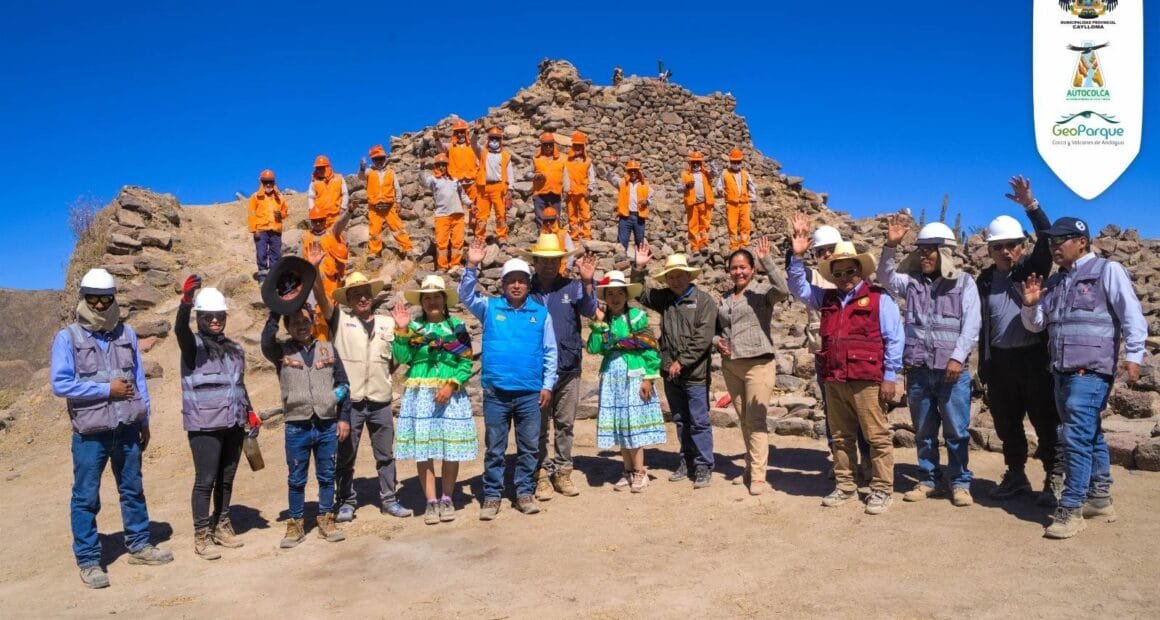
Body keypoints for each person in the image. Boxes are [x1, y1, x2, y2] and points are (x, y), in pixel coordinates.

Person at [1021, 216, 1147, 539]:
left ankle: (1072, 506)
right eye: (1050, 242)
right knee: (1089, 434)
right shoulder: (1056, 281)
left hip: (1090, 372)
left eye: (1059, 240)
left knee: (1074, 436)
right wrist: (1031, 305)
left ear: (1082, 242)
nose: (1053, 247)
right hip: (1062, 372)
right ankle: (1100, 498)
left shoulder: (1108, 271)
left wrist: (1134, 356)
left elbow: (1131, 314)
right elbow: (1037, 324)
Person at [50, 268, 172, 589]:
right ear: (84, 299)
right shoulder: (68, 338)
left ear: (113, 298)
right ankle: (89, 560)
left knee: (132, 489)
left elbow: (139, 380)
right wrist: (107, 390)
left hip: (128, 427)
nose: (101, 306)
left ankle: (139, 544)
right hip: (91, 434)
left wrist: (144, 418)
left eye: (106, 299)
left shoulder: (127, 334)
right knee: (86, 497)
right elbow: (61, 384)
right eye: (94, 300)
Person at [786, 233, 904, 514]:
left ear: (860, 270)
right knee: (840, 436)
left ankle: (882, 489)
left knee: (876, 437)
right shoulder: (826, 298)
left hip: (867, 379)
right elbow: (797, 287)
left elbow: (895, 338)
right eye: (838, 273)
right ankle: (846, 485)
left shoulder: (878, 298)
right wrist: (797, 257)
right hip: (835, 378)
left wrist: (890, 376)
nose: (844, 277)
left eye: (850, 271)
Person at [880, 217, 982, 507]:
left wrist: (957, 358)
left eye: (929, 250)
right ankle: (929, 479)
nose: (923, 255)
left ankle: (960, 482)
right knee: (924, 431)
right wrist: (890, 246)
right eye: (921, 250)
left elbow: (971, 325)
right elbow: (885, 276)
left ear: (945, 252)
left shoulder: (964, 283)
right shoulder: (911, 283)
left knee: (957, 431)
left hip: (951, 372)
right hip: (918, 369)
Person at [459, 239, 559, 520]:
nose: (516, 286)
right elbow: (466, 295)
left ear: (529, 285)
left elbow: (551, 352)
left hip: (529, 392)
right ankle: (492, 495)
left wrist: (547, 385)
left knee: (528, 446)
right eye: (511, 281)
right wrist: (472, 266)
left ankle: (524, 492)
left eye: (522, 281)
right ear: (503, 284)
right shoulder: (489, 308)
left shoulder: (540, 314)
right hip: (496, 391)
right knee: (496, 447)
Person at [976, 175, 1059, 505]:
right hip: (1000, 362)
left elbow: (1048, 238)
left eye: (1012, 245)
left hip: (1034, 360)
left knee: (1044, 420)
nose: (1006, 251)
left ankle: (1054, 476)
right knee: (1007, 423)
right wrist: (983, 363)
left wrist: (1031, 206)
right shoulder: (983, 279)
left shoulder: (1033, 269)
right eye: (998, 246)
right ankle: (1015, 475)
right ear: (990, 249)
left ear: (1022, 246)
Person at [307, 265, 411, 522]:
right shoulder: (341, 320)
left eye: (366, 293)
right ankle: (345, 501)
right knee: (345, 454)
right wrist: (315, 268)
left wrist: (402, 331)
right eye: (356, 295)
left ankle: (389, 499)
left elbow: (398, 358)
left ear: (372, 297)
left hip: (380, 400)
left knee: (385, 454)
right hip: (349, 403)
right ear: (349, 300)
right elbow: (321, 297)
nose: (362, 298)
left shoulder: (388, 322)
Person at [175, 276, 256, 560]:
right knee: (205, 479)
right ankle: (201, 534)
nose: (215, 321)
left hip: (233, 422)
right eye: (208, 316)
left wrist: (250, 412)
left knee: (226, 478)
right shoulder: (192, 347)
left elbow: (239, 384)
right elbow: (179, 330)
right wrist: (185, 302)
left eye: (219, 316)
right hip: (204, 426)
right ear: (200, 317)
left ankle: (221, 524)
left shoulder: (235, 349)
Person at [260, 302, 353, 548]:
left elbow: (344, 384)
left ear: (313, 322)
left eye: (305, 321)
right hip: (297, 425)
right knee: (296, 477)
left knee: (327, 474)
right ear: (288, 326)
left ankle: (326, 518)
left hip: (326, 424)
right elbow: (266, 340)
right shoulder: (281, 351)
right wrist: (276, 310)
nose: (301, 326)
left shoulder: (327, 349)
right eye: (295, 323)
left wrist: (342, 416)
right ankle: (296, 524)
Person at [390, 275, 478, 525]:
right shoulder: (415, 328)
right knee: (424, 450)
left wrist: (451, 385)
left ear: (444, 299)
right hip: (420, 396)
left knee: (450, 449)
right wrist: (402, 330)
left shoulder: (457, 327)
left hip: (450, 394)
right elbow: (402, 356)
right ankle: (430, 501)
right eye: (426, 298)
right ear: (422, 301)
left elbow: (465, 361)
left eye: (436, 297)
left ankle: (447, 497)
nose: (432, 301)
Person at [789, 217, 872, 479]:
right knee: (834, 413)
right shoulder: (815, 280)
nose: (825, 254)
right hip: (826, 356)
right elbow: (793, 284)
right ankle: (842, 462)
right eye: (820, 251)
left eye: (829, 249)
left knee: (862, 411)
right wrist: (795, 255)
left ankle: (868, 462)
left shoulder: (857, 280)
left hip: (859, 357)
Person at [631, 246, 718, 488]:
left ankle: (703, 465)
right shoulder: (666, 298)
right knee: (680, 419)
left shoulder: (704, 302)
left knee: (699, 421)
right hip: (670, 372)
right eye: (671, 276)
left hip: (694, 373)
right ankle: (686, 460)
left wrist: (683, 361)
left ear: (689, 276)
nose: (675, 280)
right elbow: (639, 294)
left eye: (679, 275)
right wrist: (638, 268)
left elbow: (703, 338)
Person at [524, 234, 598, 499]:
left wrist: (588, 281)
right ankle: (540, 474)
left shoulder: (573, 287)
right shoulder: (525, 289)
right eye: (543, 260)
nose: (548, 265)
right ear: (534, 261)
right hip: (536, 370)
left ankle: (563, 471)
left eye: (554, 260)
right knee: (538, 425)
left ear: (561, 261)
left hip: (568, 367)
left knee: (565, 423)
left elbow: (591, 311)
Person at [715, 237, 790, 495]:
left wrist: (767, 261)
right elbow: (716, 329)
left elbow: (783, 289)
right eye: (734, 268)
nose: (738, 272)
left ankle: (758, 476)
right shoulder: (724, 299)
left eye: (743, 267)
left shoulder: (761, 292)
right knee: (744, 420)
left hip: (759, 364)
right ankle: (749, 467)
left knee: (756, 420)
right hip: (732, 366)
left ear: (752, 269)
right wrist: (717, 342)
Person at [588, 270, 666, 492]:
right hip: (612, 378)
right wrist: (598, 326)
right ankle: (628, 471)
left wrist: (649, 379)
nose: (614, 298)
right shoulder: (605, 320)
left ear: (626, 295)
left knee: (633, 424)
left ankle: (640, 471)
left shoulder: (637, 317)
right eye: (610, 293)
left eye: (619, 293)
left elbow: (651, 348)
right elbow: (595, 349)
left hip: (634, 377)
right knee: (621, 424)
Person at [301, 199, 353, 342]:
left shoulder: (331, 234)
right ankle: (319, 344)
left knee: (330, 315)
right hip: (313, 283)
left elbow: (339, 224)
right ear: (311, 221)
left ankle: (332, 344)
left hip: (331, 284)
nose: (318, 223)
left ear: (325, 220)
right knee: (316, 316)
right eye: (315, 221)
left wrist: (349, 211)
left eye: (320, 220)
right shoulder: (306, 237)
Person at [358, 144, 413, 259]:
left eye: (381, 159)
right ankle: (374, 252)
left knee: (397, 228)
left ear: (385, 159)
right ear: (373, 160)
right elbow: (361, 177)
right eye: (376, 159)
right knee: (374, 231)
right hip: (374, 207)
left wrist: (398, 202)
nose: (379, 161)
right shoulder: (369, 171)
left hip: (390, 206)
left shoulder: (391, 172)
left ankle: (407, 248)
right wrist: (362, 167)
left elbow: (397, 187)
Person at [422, 153, 472, 272]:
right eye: (439, 165)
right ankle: (442, 267)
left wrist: (471, 204)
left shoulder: (454, 179)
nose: (441, 167)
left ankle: (456, 264)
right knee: (442, 243)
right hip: (442, 215)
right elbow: (424, 182)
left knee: (458, 241)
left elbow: (463, 195)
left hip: (457, 214)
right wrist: (421, 169)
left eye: (444, 165)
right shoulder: (433, 179)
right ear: (435, 166)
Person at [473, 127, 515, 242]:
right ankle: (479, 238)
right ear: (488, 139)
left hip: (499, 187)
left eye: (497, 139)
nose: (494, 141)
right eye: (492, 138)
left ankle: (501, 237)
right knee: (481, 215)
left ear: (500, 140)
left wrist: (510, 189)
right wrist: (476, 132)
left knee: (500, 214)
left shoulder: (505, 155)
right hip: (483, 187)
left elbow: (510, 173)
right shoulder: (482, 152)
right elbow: (473, 144)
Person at [247, 169, 288, 282]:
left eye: (270, 181)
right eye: (265, 182)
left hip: (276, 230)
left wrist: (282, 214)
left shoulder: (280, 197)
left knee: (275, 254)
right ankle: (263, 277)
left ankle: (274, 277)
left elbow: (285, 212)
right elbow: (251, 214)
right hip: (261, 230)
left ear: (274, 182)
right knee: (262, 253)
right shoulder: (255, 197)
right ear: (261, 182)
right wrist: (254, 230)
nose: (268, 184)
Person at [714, 149, 757, 251]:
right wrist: (720, 190)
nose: (736, 164)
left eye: (738, 162)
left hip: (744, 203)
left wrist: (754, 200)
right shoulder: (725, 174)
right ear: (730, 162)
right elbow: (719, 186)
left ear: (741, 162)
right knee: (732, 225)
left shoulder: (745, 174)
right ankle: (734, 244)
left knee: (745, 224)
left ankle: (744, 243)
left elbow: (751, 187)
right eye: (734, 162)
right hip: (731, 204)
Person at [608, 160, 652, 252]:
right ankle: (622, 263)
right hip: (625, 217)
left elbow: (651, 197)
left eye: (635, 170)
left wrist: (647, 201)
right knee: (622, 243)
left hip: (639, 218)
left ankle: (639, 264)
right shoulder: (622, 183)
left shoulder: (645, 184)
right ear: (627, 171)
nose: (633, 172)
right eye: (630, 170)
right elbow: (609, 177)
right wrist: (611, 166)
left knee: (640, 243)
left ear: (638, 171)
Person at [680, 152, 715, 254]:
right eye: (693, 162)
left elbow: (714, 172)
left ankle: (703, 243)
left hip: (704, 203)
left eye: (698, 162)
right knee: (693, 225)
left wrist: (712, 161)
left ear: (701, 163)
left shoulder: (705, 173)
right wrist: (686, 186)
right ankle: (695, 245)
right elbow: (678, 188)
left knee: (704, 224)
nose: (695, 164)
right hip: (692, 204)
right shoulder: (685, 175)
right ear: (690, 163)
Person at [564, 131, 596, 240]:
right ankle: (574, 236)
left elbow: (591, 177)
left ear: (583, 147)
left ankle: (586, 235)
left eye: (580, 146)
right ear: (573, 146)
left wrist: (590, 189)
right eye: (576, 145)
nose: (577, 148)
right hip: (570, 193)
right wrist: (565, 190)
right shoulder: (566, 161)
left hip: (583, 193)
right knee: (572, 216)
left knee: (585, 215)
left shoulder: (588, 161)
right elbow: (563, 176)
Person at [532, 133, 567, 228]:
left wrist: (566, 190)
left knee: (555, 217)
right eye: (545, 144)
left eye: (550, 144)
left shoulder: (562, 158)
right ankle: (542, 238)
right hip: (540, 194)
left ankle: (555, 238)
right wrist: (535, 176)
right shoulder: (536, 158)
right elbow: (527, 174)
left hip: (555, 194)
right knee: (540, 218)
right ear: (542, 145)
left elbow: (565, 175)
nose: (548, 147)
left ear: (554, 145)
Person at [307, 155, 348, 229]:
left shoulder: (339, 178)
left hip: (337, 215)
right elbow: (311, 198)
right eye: (318, 168)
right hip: (321, 218)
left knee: (338, 238)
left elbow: (345, 194)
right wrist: (312, 212)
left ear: (328, 167)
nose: (319, 170)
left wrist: (343, 208)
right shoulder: (313, 183)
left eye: (322, 168)